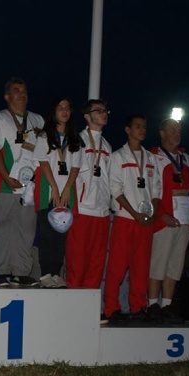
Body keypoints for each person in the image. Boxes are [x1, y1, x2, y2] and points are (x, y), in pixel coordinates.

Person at [105, 114, 161, 324]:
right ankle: (112, 308)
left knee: (141, 267)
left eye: (144, 126)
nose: (142, 130)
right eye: (138, 126)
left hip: (145, 221)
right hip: (126, 219)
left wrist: (152, 212)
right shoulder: (118, 156)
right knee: (117, 267)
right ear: (127, 130)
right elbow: (115, 189)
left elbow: (156, 189)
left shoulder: (151, 158)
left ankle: (138, 306)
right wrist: (135, 213)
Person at [0, 78, 44, 288]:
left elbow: (44, 152)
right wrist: (5, 177)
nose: (21, 94)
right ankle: (0, 272)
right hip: (5, 182)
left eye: (24, 90)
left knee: (26, 230)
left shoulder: (38, 120)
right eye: (16, 90)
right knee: (3, 227)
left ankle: (21, 272)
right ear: (7, 96)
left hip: (30, 185)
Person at [147, 119, 189, 324]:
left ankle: (167, 306)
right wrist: (161, 215)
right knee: (157, 264)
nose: (177, 133)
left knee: (175, 266)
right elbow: (149, 192)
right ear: (162, 133)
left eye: (179, 130)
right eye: (172, 130)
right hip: (163, 222)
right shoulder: (153, 157)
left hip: (184, 222)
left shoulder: (187, 159)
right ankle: (152, 305)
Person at [32, 97, 81, 288]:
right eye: (60, 108)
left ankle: (56, 273)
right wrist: (54, 186)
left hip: (67, 194)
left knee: (61, 236)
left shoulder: (75, 138)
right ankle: (45, 274)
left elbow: (76, 167)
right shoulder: (45, 136)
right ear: (53, 112)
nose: (64, 111)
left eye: (67, 108)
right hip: (48, 191)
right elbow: (43, 163)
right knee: (47, 235)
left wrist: (67, 188)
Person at [67, 99, 112, 290]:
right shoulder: (77, 141)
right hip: (83, 209)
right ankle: (74, 302)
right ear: (87, 116)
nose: (103, 113)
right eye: (98, 110)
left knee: (97, 262)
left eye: (105, 110)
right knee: (77, 260)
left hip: (102, 211)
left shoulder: (107, 146)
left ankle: (91, 302)